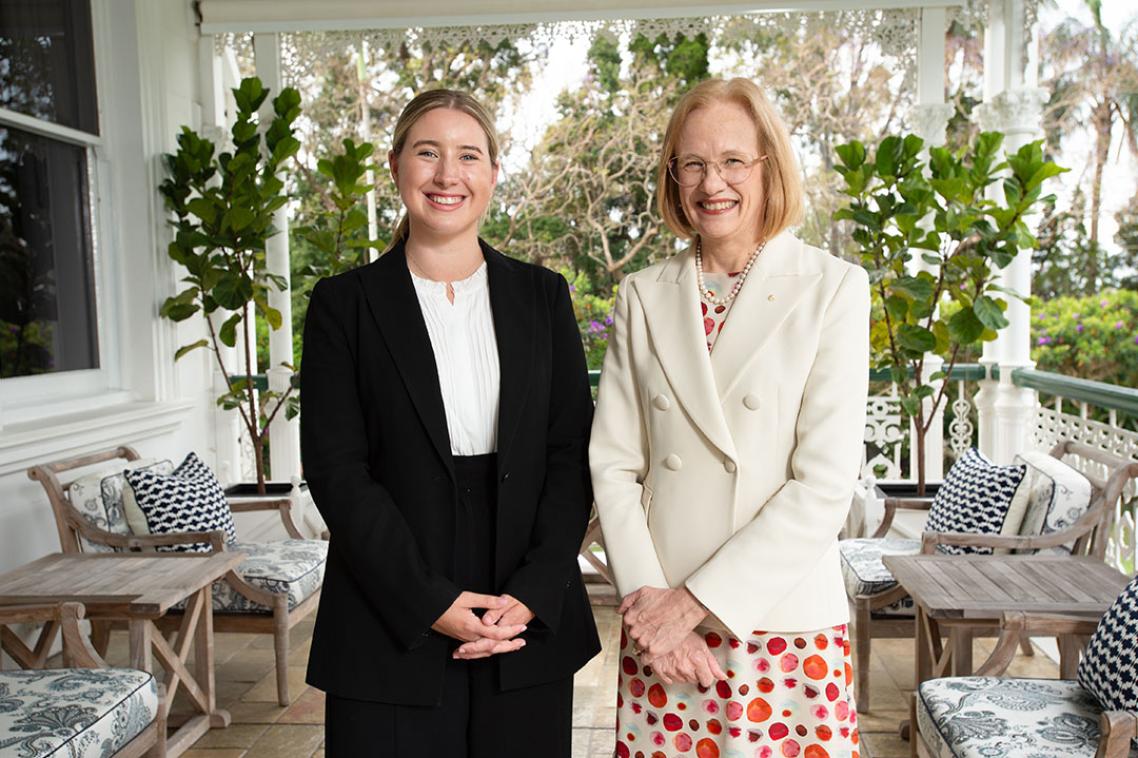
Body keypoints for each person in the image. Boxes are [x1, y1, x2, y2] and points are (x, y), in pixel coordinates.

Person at [301, 88, 601, 758]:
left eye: (468, 156)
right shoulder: (342, 305)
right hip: (387, 606)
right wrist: (428, 601)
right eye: (427, 152)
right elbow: (337, 471)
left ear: (493, 172)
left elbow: (568, 452)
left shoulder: (542, 296)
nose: (447, 175)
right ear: (395, 165)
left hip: (521, 611)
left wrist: (534, 588)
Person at [590, 77, 869, 758]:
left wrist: (694, 602)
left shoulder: (832, 287)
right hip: (663, 633)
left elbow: (825, 484)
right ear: (672, 176)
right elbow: (615, 464)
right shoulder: (642, 293)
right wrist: (658, 612)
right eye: (692, 163)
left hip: (783, 618)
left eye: (734, 161)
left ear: (769, 166)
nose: (713, 183)